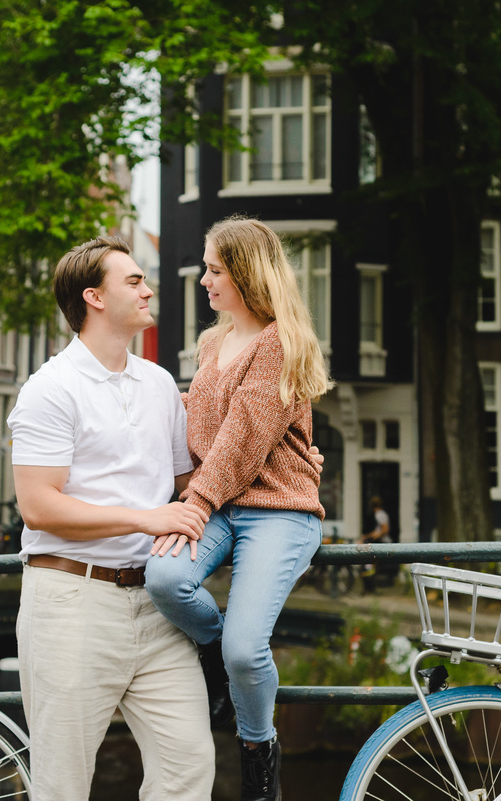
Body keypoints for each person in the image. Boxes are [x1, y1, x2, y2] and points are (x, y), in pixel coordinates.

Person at [7, 234, 215, 801]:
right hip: (72, 603)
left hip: (155, 603)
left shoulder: (158, 385)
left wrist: (284, 466)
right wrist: (144, 519)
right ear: (94, 297)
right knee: (63, 785)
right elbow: (39, 505)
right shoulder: (50, 390)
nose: (148, 290)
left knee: (189, 766)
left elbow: (186, 484)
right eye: (134, 281)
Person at [146, 215, 334, 801]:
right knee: (166, 576)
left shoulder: (282, 341)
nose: (204, 280)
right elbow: (201, 424)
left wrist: (194, 500)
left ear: (246, 274)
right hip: (224, 505)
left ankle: (258, 753)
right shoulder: (212, 342)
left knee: (247, 648)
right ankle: (214, 649)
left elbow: (245, 435)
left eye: (214, 270)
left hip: (279, 510)